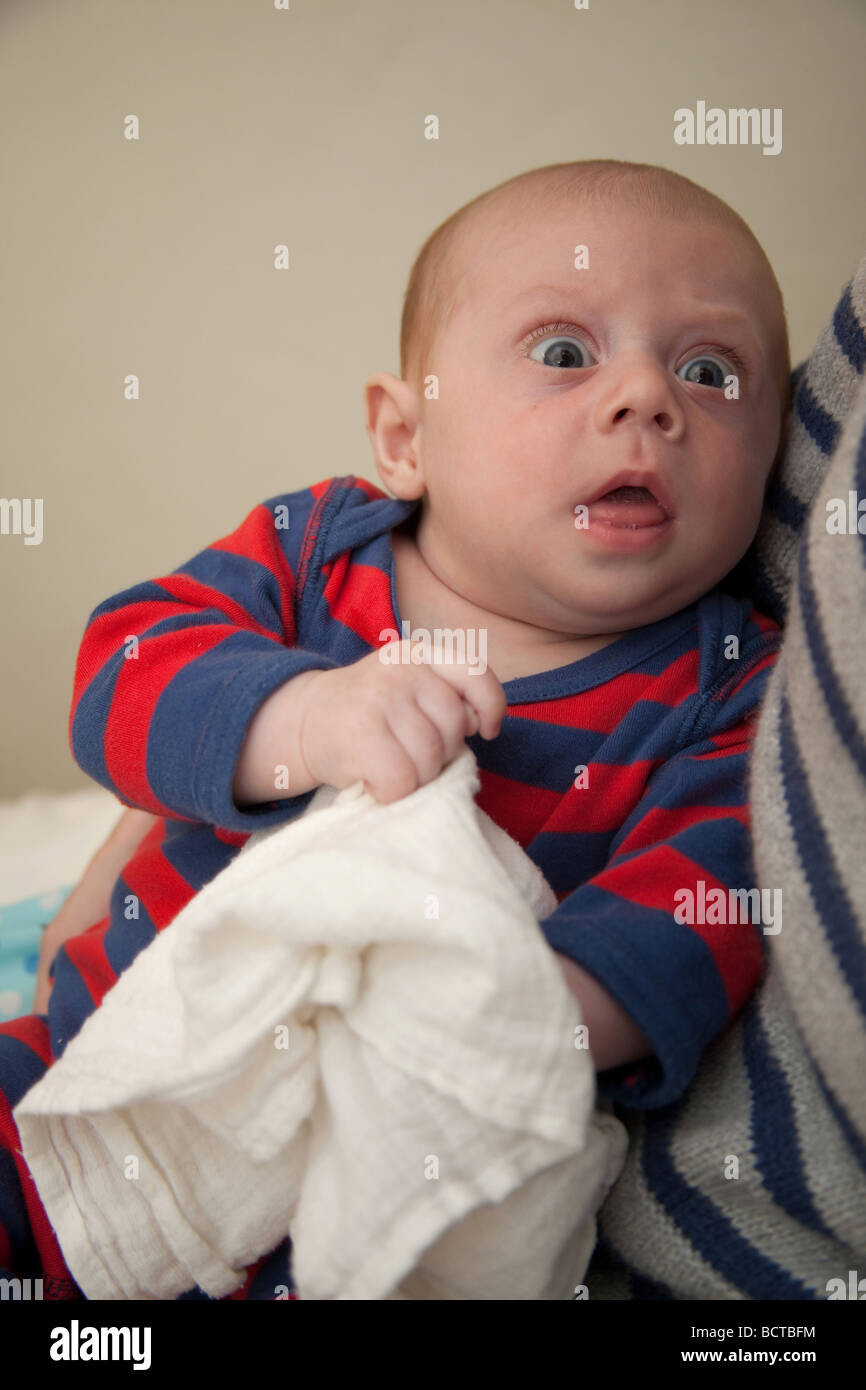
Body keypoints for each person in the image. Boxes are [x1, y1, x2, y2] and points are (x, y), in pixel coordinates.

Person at [4, 158, 790, 1297]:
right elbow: (125, 667)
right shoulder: (313, 547)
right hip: (94, 1067)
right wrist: (301, 713)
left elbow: (700, 909)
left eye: (709, 371)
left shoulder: (728, 687)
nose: (645, 400)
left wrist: (484, 1028)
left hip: (374, 1178)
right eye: (564, 352)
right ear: (405, 437)